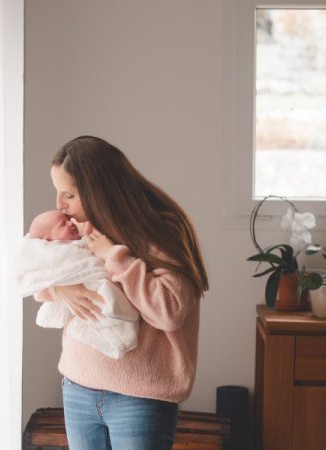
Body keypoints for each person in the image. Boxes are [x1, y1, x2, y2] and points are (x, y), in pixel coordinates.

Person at [36, 135, 209, 450]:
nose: (60, 205)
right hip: (77, 388)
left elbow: (168, 312)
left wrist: (114, 256)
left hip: (140, 397)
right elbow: (33, 272)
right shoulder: (77, 228)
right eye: (58, 192)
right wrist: (61, 288)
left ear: (98, 190)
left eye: (69, 194)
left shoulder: (163, 229)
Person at [14, 210, 140, 359]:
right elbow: (40, 281)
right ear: (49, 240)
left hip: (99, 286)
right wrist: (60, 286)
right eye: (63, 224)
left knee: (107, 307)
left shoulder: (89, 236)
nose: (70, 222)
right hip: (76, 365)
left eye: (68, 219)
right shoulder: (54, 252)